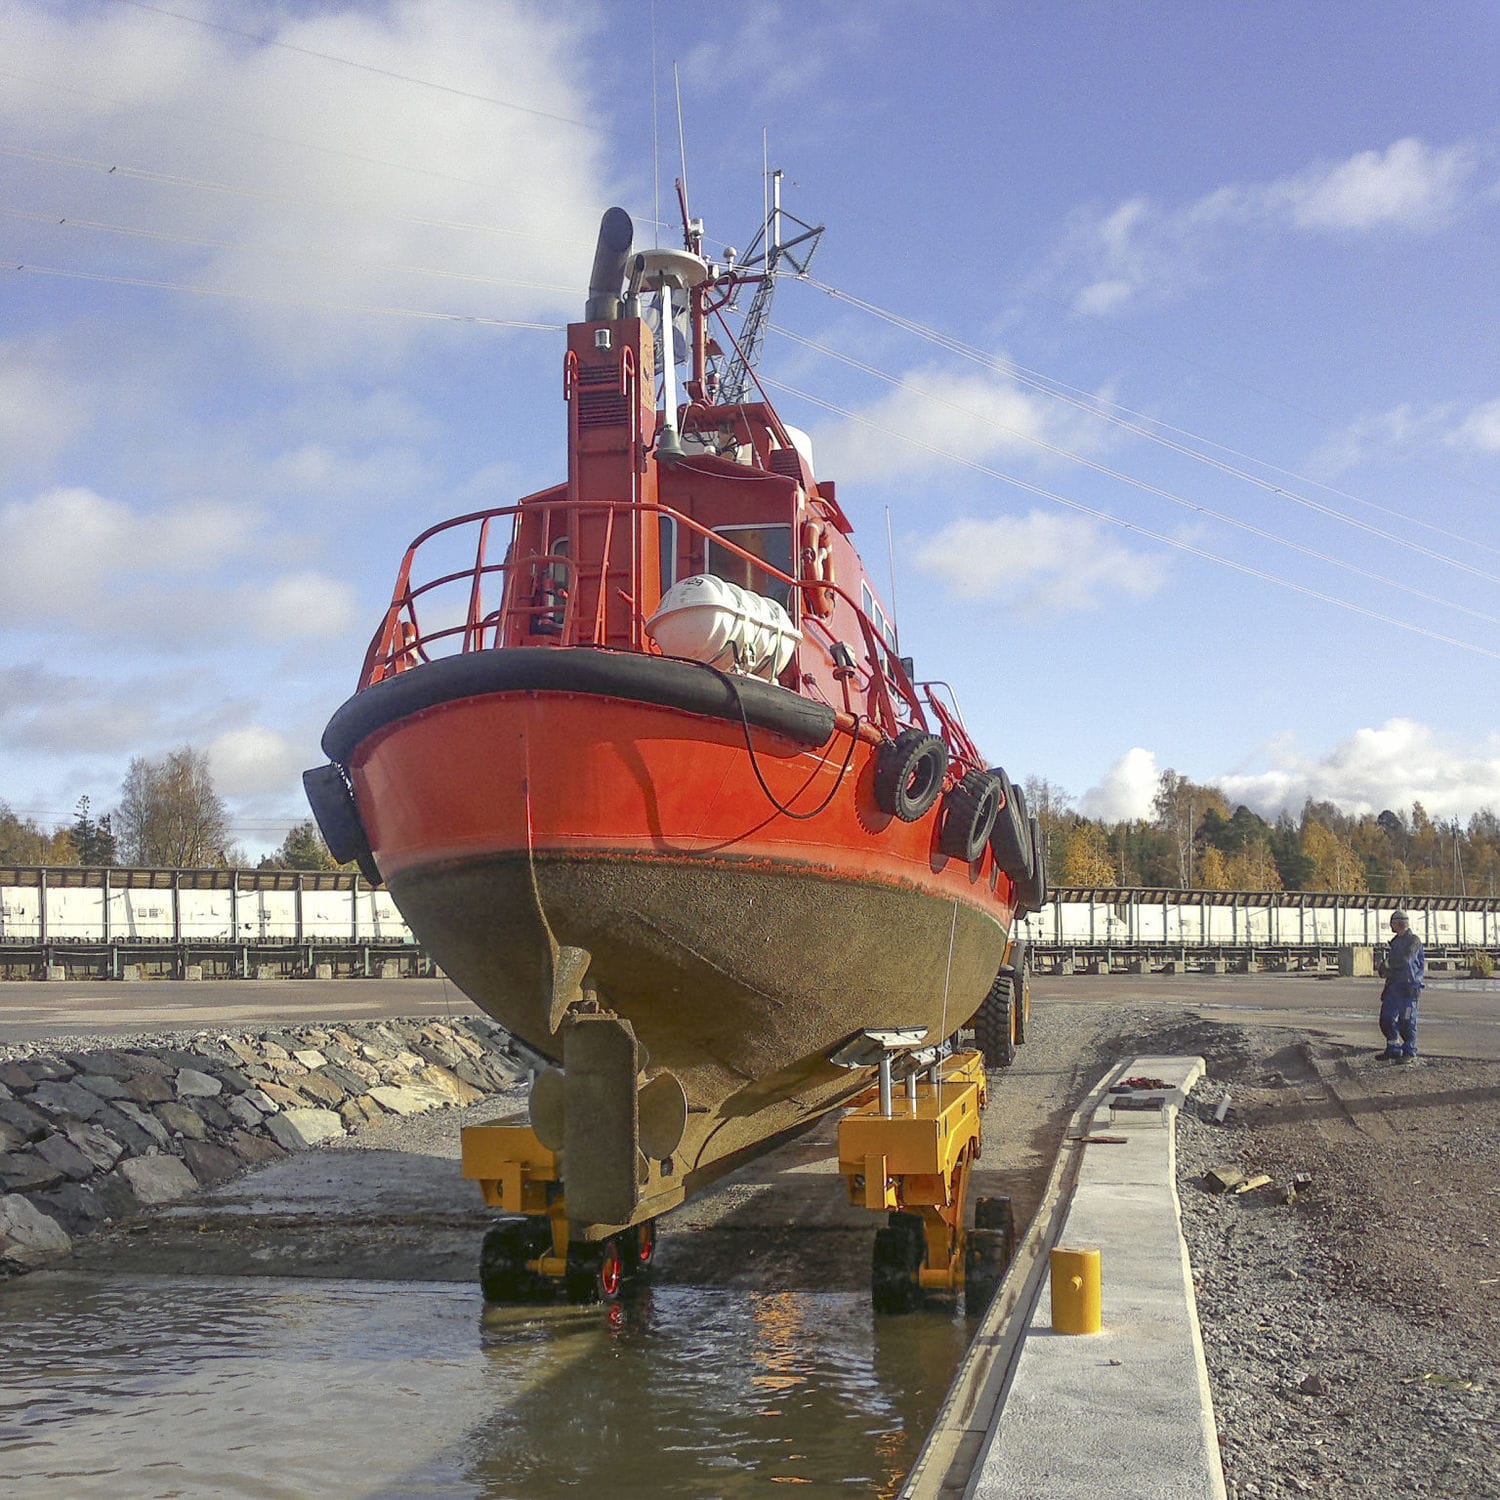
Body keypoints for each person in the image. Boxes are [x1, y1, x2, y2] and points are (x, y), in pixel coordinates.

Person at [1376, 910, 1425, 1062]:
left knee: (1407, 1022)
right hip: (1394, 987)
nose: (1390, 925)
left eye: (1392, 922)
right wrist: (1384, 969)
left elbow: (1406, 959)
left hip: (1409, 988)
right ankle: (1393, 1048)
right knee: (1386, 1019)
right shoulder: (1396, 942)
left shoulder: (1413, 941)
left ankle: (1409, 1052)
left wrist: (1389, 964)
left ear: (1398, 923)